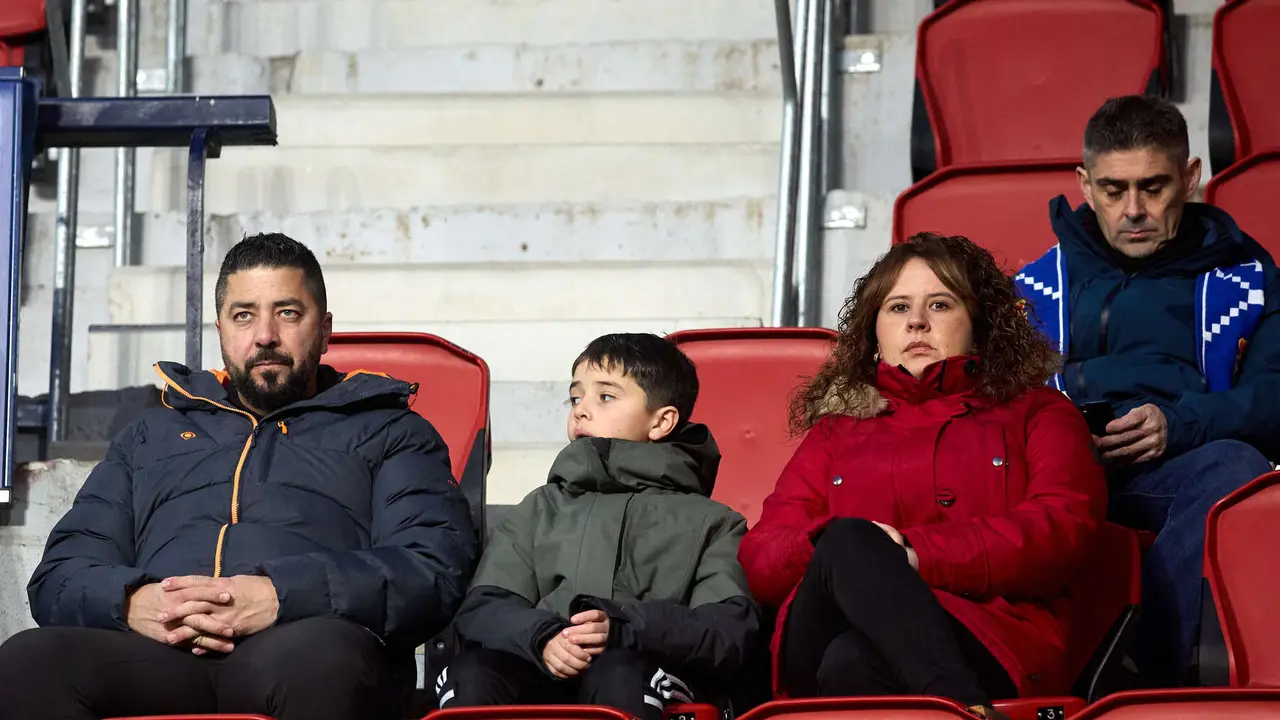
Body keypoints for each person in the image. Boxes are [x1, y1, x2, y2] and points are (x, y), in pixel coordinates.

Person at [0, 233, 478, 720]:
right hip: (161, 653)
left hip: (301, 645)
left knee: (325, 661)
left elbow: (431, 568)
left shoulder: (391, 430)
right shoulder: (151, 435)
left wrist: (281, 596)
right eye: (244, 315)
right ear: (222, 329)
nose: (265, 335)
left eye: (288, 312)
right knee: (26, 663)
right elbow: (61, 574)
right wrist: (131, 602)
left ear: (326, 329)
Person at [738, 233, 1107, 719]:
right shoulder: (836, 432)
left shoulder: (1040, 412)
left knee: (851, 663)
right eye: (897, 308)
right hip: (827, 627)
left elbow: (1061, 532)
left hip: (990, 634)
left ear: (979, 324)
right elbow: (762, 554)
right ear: (874, 335)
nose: (916, 321)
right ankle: (966, 706)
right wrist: (848, 550)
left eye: (939, 304)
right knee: (846, 540)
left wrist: (913, 555)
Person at [1014, 95, 1279, 686]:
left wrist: (1177, 423)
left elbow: (1274, 398)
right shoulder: (1035, 286)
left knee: (1238, 466)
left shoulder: (1248, 283)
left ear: (1190, 178)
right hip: (1051, 472)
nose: (1133, 210)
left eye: (1154, 187)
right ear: (1084, 184)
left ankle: (1142, 676)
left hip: (1174, 472)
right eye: (1113, 190)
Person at [436, 333, 759, 720]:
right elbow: (486, 607)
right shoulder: (539, 508)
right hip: (543, 667)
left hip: (644, 674)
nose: (581, 410)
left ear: (661, 421)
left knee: (618, 674)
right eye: (575, 397)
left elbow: (726, 632)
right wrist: (542, 637)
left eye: (605, 397)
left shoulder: (714, 523)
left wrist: (624, 627)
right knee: (471, 673)